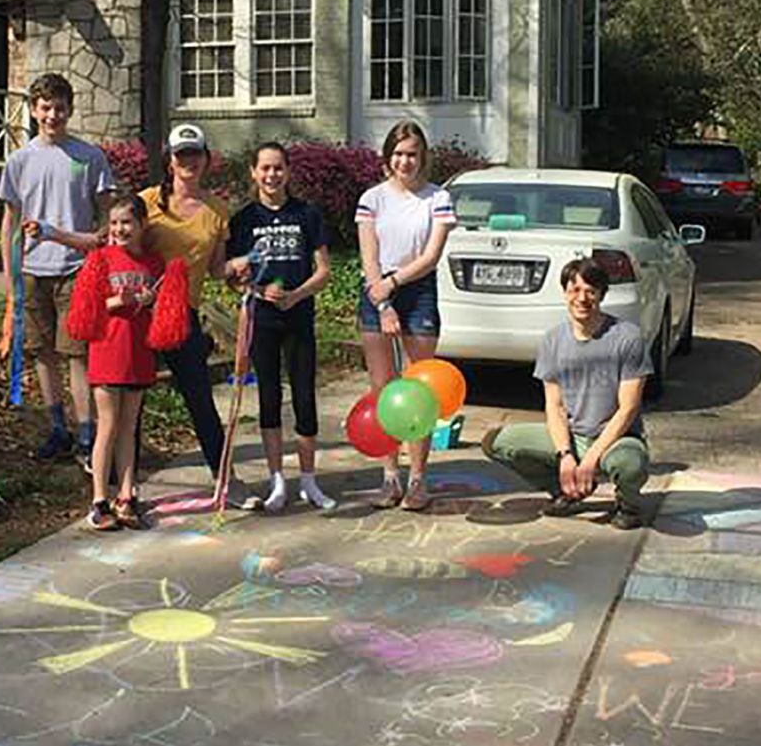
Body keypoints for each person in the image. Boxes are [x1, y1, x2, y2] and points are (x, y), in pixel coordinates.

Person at [39, 194, 190, 530]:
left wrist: (152, 301)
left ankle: (126, 495)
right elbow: (85, 309)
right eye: (116, 223)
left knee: (129, 427)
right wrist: (116, 300)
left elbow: (162, 315)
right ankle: (98, 499)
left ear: (141, 225)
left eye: (127, 222)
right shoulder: (101, 258)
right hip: (108, 352)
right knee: (106, 425)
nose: (121, 229)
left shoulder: (153, 264)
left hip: (139, 354)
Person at [479, 258, 652, 530]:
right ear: (564, 293)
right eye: (574, 290)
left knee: (631, 463)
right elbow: (555, 406)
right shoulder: (552, 340)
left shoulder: (628, 338)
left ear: (602, 295)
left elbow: (628, 409)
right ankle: (567, 491)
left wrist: (592, 458)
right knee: (497, 442)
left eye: (590, 291)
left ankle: (628, 505)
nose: (581, 298)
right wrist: (565, 456)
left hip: (615, 438)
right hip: (572, 434)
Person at [0, 73, 115, 465]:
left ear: (70, 110)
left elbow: (105, 220)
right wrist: (11, 278)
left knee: (76, 353)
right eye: (45, 108)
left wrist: (100, 257)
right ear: (33, 110)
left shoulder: (89, 157)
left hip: (76, 269)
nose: (53, 115)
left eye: (60, 108)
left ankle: (86, 432)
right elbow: (10, 223)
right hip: (32, 270)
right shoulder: (19, 160)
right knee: (41, 351)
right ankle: (57, 428)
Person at [138, 124, 247, 506]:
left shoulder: (217, 211)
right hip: (143, 310)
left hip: (184, 313)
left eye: (194, 155)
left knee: (199, 397)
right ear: (169, 161)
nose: (188, 162)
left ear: (206, 159)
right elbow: (119, 245)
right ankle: (123, 488)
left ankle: (225, 478)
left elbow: (217, 269)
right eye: (180, 155)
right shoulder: (147, 202)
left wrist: (239, 271)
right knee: (133, 397)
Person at [225, 143, 335, 512]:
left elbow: (323, 271)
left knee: (304, 397)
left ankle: (309, 481)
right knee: (268, 398)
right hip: (262, 319)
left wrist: (297, 294)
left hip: (298, 316)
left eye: (278, 168)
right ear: (253, 173)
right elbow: (232, 275)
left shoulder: (307, 214)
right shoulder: (243, 220)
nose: (271, 175)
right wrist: (252, 287)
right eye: (265, 169)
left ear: (288, 172)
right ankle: (276, 482)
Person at [356, 120, 457, 512]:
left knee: (419, 391)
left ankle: (417, 479)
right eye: (398, 153)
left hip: (417, 292)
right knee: (383, 388)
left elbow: (430, 256)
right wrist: (381, 302)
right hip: (376, 291)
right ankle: (389, 476)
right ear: (387, 158)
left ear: (423, 157)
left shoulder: (438, 199)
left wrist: (393, 285)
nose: (405, 161)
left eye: (412, 154)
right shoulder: (372, 199)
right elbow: (369, 256)